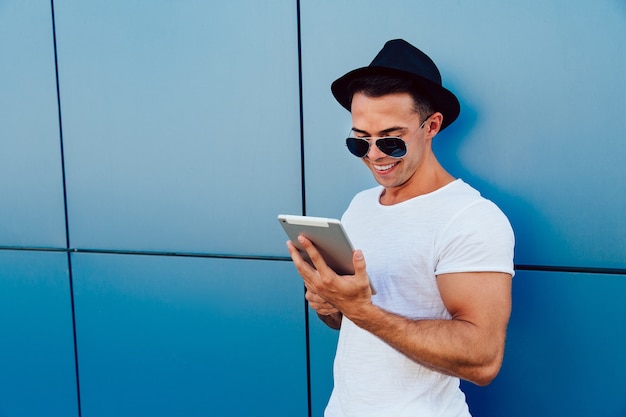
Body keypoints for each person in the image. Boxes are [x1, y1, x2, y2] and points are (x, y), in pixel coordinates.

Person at [286, 39, 515, 416]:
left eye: (391, 141)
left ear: (432, 126)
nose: (374, 155)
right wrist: (329, 303)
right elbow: (345, 321)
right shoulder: (360, 206)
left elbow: (483, 359)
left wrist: (362, 311)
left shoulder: (471, 218)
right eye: (359, 141)